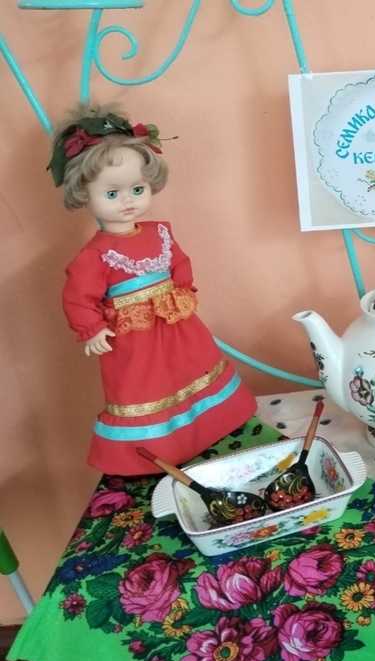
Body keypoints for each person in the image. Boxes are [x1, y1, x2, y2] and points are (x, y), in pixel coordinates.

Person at [50, 102, 256, 475]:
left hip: (177, 325)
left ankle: (209, 427)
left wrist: (183, 291)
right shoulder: (95, 255)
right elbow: (78, 296)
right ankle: (158, 450)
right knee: (144, 388)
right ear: (84, 194)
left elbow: (179, 263)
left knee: (193, 368)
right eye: (112, 194)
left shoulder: (160, 232)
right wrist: (91, 329)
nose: (128, 201)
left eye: (137, 188)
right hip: (135, 340)